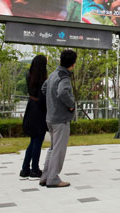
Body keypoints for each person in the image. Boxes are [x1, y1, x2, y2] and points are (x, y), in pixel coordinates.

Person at [40, 50, 77, 188]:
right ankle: (53, 178)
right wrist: (71, 105)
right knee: (59, 150)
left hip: (50, 117)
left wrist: (52, 101)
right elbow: (63, 92)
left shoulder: (53, 74)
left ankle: (45, 176)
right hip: (61, 119)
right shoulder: (64, 77)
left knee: (52, 148)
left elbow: (44, 89)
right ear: (73, 63)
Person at [20, 55, 48, 180]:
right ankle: (34, 170)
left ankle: (25, 169)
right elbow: (43, 99)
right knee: (38, 141)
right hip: (40, 111)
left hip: (31, 108)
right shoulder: (43, 80)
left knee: (33, 140)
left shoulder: (28, 76)